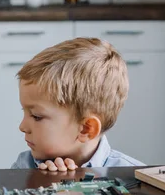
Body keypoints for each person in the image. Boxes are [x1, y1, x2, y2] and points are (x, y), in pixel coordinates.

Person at [11, 37, 144, 171]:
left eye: (36, 116)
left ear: (86, 129)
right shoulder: (23, 167)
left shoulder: (135, 176)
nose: (22, 127)